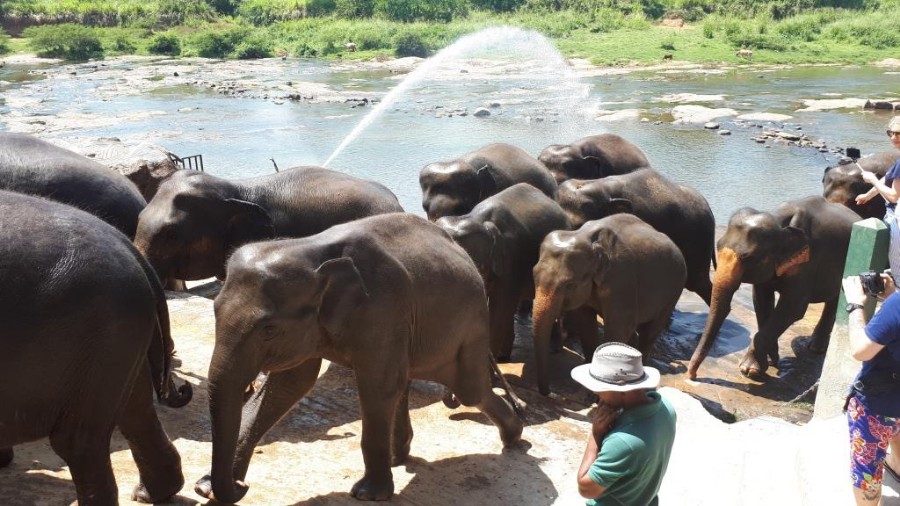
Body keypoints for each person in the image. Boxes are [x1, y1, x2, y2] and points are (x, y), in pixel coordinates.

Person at [571, 342, 676, 506]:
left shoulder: (623, 442)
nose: (595, 393)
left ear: (622, 390)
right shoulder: (666, 409)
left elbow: (585, 488)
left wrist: (596, 434)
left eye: (599, 388)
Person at [841, 274, 900, 505]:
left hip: (877, 405)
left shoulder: (896, 307)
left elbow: (860, 350)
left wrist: (855, 305)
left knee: (867, 468)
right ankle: (896, 467)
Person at [856, 116, 900, 283]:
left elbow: (894, 196)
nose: (893, 137)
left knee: (897, 267)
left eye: (898, 133)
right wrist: (868, 195)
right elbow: (889, 177)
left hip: (897, 219)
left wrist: (872, 179)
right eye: (891, 133)